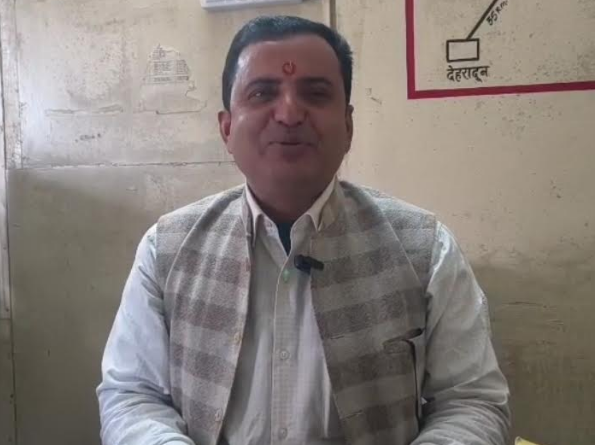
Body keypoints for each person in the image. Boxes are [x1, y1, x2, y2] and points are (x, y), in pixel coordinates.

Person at [97, 15, 510, 445]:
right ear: (227, 128)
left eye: (315, 93)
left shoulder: (425, 249)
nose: (290, 113)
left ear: (348, 126)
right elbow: (131, 396)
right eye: (262, 93)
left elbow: (472, 401)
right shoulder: (167, 249)